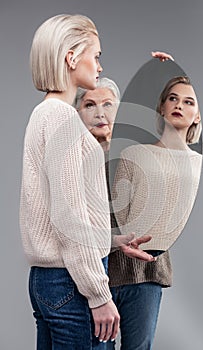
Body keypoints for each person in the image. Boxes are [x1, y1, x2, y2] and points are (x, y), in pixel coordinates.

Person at [19, 14, 122, 350]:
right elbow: (68, 217)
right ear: (71, 57)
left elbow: (56, 211)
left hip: (49, 280)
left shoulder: (43, 114)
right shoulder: (62, 117)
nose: (99, 66)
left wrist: (112, 242)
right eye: (97, 55)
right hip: (72, 283)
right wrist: (98, 295)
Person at [76, 70, 189, 350]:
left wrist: (167, 68)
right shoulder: (70, 161)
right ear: (77, 112)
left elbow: (176, 120)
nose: (100, 113)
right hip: (97, 278)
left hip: (145, 273)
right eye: (90, 104)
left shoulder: (144, 150)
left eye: (108, 104)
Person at [109, 75, 203, 350]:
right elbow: (115, 215)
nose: (179, 105)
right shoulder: (133, 154)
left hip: (150, 272)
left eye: (189, 102)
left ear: (198, 115)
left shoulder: (200, 165)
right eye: (173, 98)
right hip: (109, 267)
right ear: (161, 107)